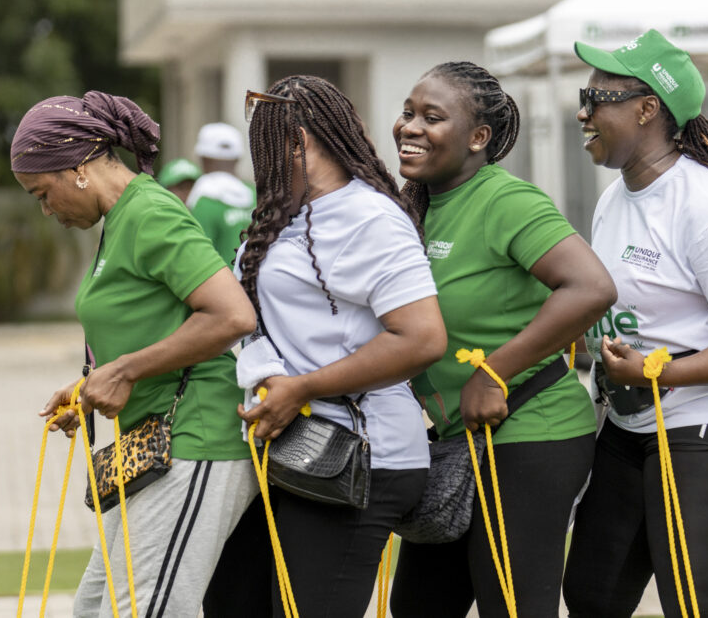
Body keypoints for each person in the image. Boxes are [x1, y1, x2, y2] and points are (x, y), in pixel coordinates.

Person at [562, 29, 708, 617]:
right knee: (592, 593)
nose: (582, 113)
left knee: (696, 602)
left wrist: (654, 369)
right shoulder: (614, 198)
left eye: (596, 99)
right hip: (633, 418)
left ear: (647, 109)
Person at [10, 91, 258, 618]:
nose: (46, 209)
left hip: (197, 439)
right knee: (92, 609)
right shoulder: (120, 218)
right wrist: (91, 386)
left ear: (77, 168)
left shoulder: (150, 212)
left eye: (42, 193)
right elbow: (148, 326)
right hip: (151, 451)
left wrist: (123, 371)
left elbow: (233, 315)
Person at [388, 61, 616, 618]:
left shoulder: (505, 200)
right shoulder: (412, 208)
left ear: (478, 137)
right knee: (417, 606)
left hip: (530, 430)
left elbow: (591, 288)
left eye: (432, 117)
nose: (410, 127)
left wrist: (494, 372)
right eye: (408, 113)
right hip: (456, 441)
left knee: (512, 605)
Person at [233, 75, 447, 617]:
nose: (261, 166)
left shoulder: (370, 218)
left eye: (268, 149)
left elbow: (423, 338)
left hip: (359, 456)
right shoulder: (285, 215)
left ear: (299, 142)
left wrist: (301, 388)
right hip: (293, 450)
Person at [187, 122, 256, 265]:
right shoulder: (257, 194)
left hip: (221, 279)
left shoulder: (203, 198)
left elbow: (197, 257)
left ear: (203, 158)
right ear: (238, 158)